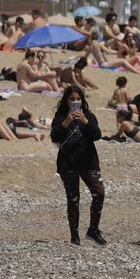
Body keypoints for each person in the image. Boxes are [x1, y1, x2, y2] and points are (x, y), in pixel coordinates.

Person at [50, 85, 105, 245]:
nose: (75, 102)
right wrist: (67, 121)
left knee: (99, 193)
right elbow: (55, 137)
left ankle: (93, 230)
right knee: (73, 199)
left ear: (83, 100)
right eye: (72, 99)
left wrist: (86, 122)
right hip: (68, 163)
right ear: (66, 101)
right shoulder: (61, 117)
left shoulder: (88, 116)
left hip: (89, 162)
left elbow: (97, 135)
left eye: (78, 99)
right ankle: (75, 235)